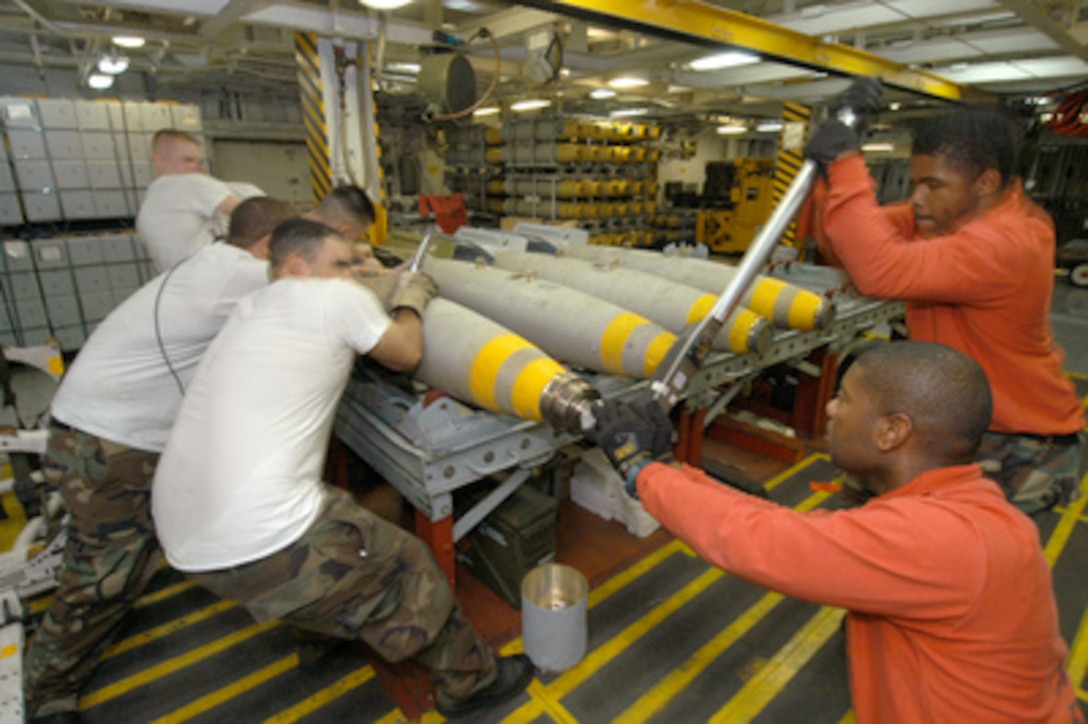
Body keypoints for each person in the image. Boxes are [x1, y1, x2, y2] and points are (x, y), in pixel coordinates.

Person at [150, 219, 533, 719]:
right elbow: (406, 351)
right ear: (296, 265)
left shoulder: (253, 307)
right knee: (408, 564)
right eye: (341, 264)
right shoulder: (331, 297)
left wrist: (371, 280)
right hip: (260, 535)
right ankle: (469, 681)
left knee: (342, 517)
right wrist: (410, 298)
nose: (350, 274)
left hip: (182, 535)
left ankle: (323, 629)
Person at [588, 341, 1084, 723]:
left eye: (844, 399)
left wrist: (640, 471)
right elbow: (795, 529)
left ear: (892, 431)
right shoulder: (958, 509)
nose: (828, 409)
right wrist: (671, 469)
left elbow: (766, 542)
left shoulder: (945, 542)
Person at [23, 197, 299, 723]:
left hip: (104, 431)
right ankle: (45, 695)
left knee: (119, 560)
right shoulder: (243, 275)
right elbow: (318, 297)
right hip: (107, 443)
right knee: (104, 576)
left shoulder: (213, 262)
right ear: (269, 246)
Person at [804, 82, 1086, 514]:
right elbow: (848, 243)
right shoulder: (944, 215)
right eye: (916, 183)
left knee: (949, 561)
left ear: (985, 182)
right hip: (949, 419)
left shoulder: (1011, 240)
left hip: (1016, 443)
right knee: (872, 527)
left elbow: (880, 271)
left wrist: (846, 165)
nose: (916, 198)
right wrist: (827, 177)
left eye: (933, 184)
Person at [136, 129, 245, 272]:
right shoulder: (190, 183)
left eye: (199, 162)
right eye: (188, 160)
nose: (196, 168)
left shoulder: (149, 203)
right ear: (160, 160)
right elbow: (253, 213)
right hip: (216, 274)